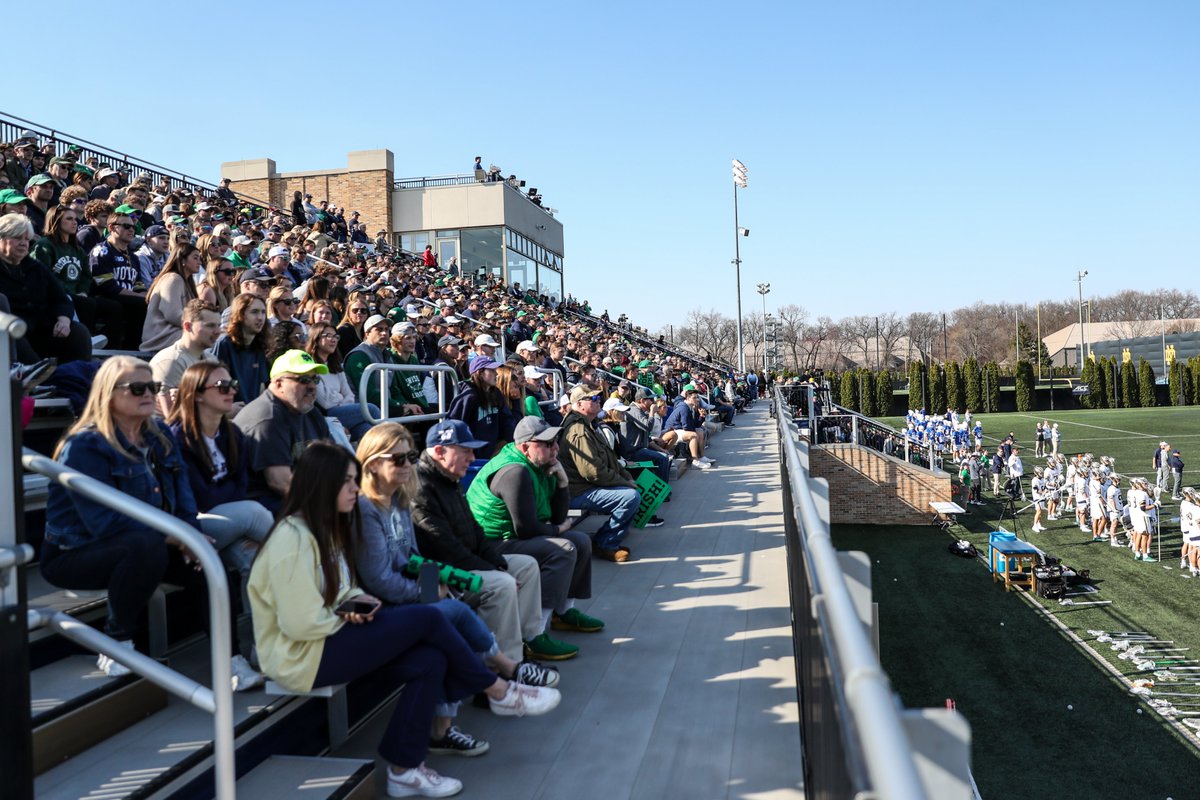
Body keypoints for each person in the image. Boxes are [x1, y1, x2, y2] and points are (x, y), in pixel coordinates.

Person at [249, 442, 559, 799]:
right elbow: (303, 622)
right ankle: (499, 688)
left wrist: (358, 602)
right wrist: (355, 612)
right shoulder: (295, 538)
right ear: (321, 484)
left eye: (411, 458)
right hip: (302, 655)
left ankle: (404, 769)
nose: (354, 488)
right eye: (346, 481)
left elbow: (360, 581)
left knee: (430, 657)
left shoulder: (342, 522)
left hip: (333, 633)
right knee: (432, 618)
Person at [39, 357, 219, 679]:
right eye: (137, 388)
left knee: (205, 560)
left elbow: (184, 499)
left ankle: (232, 659)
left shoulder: (159, 434)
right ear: (108, 394)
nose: (148, 393)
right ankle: (117, 641)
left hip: (144, 542)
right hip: (75, 553)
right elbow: (103, 523)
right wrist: (177, 536)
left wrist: (191, 535)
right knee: (146, 544)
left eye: (153, 386)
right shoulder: (84, 446)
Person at [168, 361, 272, 687]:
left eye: (232, 385)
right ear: (197, 394)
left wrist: (226, 504)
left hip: (229, 526)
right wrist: (227, 504)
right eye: (222, 387)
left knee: (257, 560)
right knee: (255, 513)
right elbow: (195, 498)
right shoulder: (178, 437)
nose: (231, 392)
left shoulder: (232, 433)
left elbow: (239, 485)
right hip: (193, 526)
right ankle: (296, 552)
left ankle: (261, 652)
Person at [467, 415, 606, 658]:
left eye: (555, 441)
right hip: (491, 544)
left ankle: (563, 611)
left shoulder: (540, 464)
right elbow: (527, 529)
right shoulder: (515, 471)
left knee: (581, 542)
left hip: (513, 537)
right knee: (563, 549)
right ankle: (534, 634)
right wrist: (557, 531)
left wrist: (562, 483)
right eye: (547, 443)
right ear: (525, 448)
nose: (555, 448)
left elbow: (557, 516)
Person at [411, 420, 548, 663]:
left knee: (526, 566)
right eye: (465, 451)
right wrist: (493, 570)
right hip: (436, 574)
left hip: (461, 562)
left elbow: (475, 532)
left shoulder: (450, 478)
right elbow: (444, 548)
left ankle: (530, 640)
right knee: (502, 584)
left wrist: (499, 564)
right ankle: (506, 667)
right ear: (440, 451)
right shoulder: (421, 487)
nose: (472, 458)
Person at [233, 349, 331, 507]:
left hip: (298, 494)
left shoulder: (310, 412)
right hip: (264, 502)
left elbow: (332, 461)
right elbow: (281, 482)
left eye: (315, 379)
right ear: (279, 384)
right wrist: (327, 504)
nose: (312, 386)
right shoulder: (267, 418)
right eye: (304, 380)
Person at [558, 384, 644, 562]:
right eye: (593, 398)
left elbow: (608, 458)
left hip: (586, 486)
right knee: (630, 497)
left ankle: (608, 537)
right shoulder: (578, 430)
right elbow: (592, 472)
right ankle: (606, 543)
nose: (599, 401)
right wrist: (624, 482)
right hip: (578, 491)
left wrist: (626, 476)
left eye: (598, 398)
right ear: (579, 404)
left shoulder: (587, 424)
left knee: (632, 489)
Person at [0, 212, 92, 364]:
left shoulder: (36, 268)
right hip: (10, 332)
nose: (23, 243)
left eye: (26, 239)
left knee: (78, 332)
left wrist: (64, 321)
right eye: (17, 238)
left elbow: (60, 299)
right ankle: (38, 374)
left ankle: (75, 374)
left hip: (40, 329)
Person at [307, 321, 379, 440]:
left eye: (336, 336)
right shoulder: (310, 366)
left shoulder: (336, 366)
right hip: (325, 415)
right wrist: (340, 398)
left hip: (342, 413)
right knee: (371, 409)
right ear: (316, 338)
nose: (333, 340)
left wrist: (339, 401)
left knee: (366, 430)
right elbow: (325, 402)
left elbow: (349, 395)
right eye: (328, 336)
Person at [149, 300, 222, 417]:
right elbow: (172, 417)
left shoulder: (212, 360)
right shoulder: (170, 361)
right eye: (210, 325)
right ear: (188, 326)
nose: (218, 331)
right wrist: (225, 412)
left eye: (219, 325)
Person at [88, 209, 147, 349]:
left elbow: (139, 285)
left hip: (128, 299)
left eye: (133, 227)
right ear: (111, 227)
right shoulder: (102, 250)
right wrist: (140, 297)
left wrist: (149, 297)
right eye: (126, 226)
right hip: (103, 297)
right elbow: (107, 287)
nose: (131, 230)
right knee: (134, 305)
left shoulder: (133, 257)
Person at [141, 243, 202, 352]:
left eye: (199, 258)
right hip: (162, 337)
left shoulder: (185, 282)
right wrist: (199, 326)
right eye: (195, 258)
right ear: (182, 260)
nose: (199, 262)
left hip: (177, 333)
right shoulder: (173, 279)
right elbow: (172, 314)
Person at [212, 293, 271, 404]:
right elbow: (214, 383)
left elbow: (261, 387)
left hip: (251, 411)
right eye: (254, 312)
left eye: (263, 312)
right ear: (240, 315)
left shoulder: (259, 346)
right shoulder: (224, 343)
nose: (260, 317)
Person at [446, 356, 505, 455]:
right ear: (479, 373)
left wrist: (504, 441)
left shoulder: (496, 393)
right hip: (472, 455)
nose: (496, 374)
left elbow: (506, 420)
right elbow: (454, 425)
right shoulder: (468, 396)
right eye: (492, 370)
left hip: (493, 452)